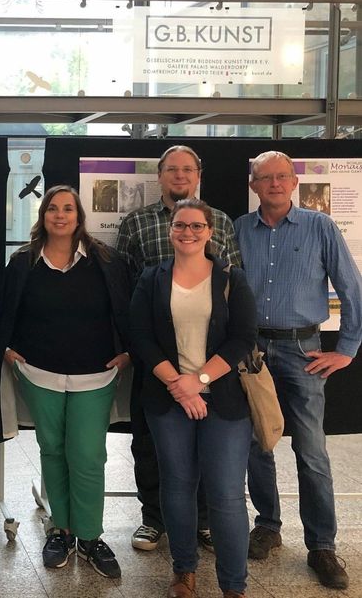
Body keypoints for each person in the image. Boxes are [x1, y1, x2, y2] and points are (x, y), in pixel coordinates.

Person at [237, 151, 362, 591]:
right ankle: (268, 525)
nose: (273, 184)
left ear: (294, 182)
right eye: (264, 178)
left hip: (303, 350)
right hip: (253, 352)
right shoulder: (239, 230)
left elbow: (351, 288)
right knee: (258, 442)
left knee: (311, 451)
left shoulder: (320, 227)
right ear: (253, 186)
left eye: (281, 177)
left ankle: (322, 546)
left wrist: (346, 349)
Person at [0, 186, 130, 580]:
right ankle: (62, 530)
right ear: (43, 215)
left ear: (79, 214)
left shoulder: (105, 259)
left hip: (96, 374)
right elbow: (5, 312)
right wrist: (6, 349)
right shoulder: (23, 262)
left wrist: (127, 353)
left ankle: (90, 537)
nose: (60, 215)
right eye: (53, 208)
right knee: (52, 450)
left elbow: (126, 308)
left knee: (87, 455)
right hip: (39, 374)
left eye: (68, 208)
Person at [115, 144, 242, 553]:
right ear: (160, 175)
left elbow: (233, 281)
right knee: (149, 443)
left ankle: (202, 522)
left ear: (199, 174)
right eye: (172, 169)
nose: (180, 175)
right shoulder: (136, 223)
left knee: (209, 449)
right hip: (154, 358)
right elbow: (121, 287)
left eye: (188, 169)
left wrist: (202, 375)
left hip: (212, 357)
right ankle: (153, 520)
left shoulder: (220, 221)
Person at [129, 198, 256, 598]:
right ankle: (184, 572)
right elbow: (140, 336)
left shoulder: (232, 277)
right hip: (169, 401)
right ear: (170, 232)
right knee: (178, 487)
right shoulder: (152, 278)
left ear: (210, 232)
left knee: (226, 495)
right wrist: (178, 385)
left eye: (196, 226)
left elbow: (243, 338)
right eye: (180, 226)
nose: (188, 232)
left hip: (225, 401)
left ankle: (234, 586)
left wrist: (198, 379)